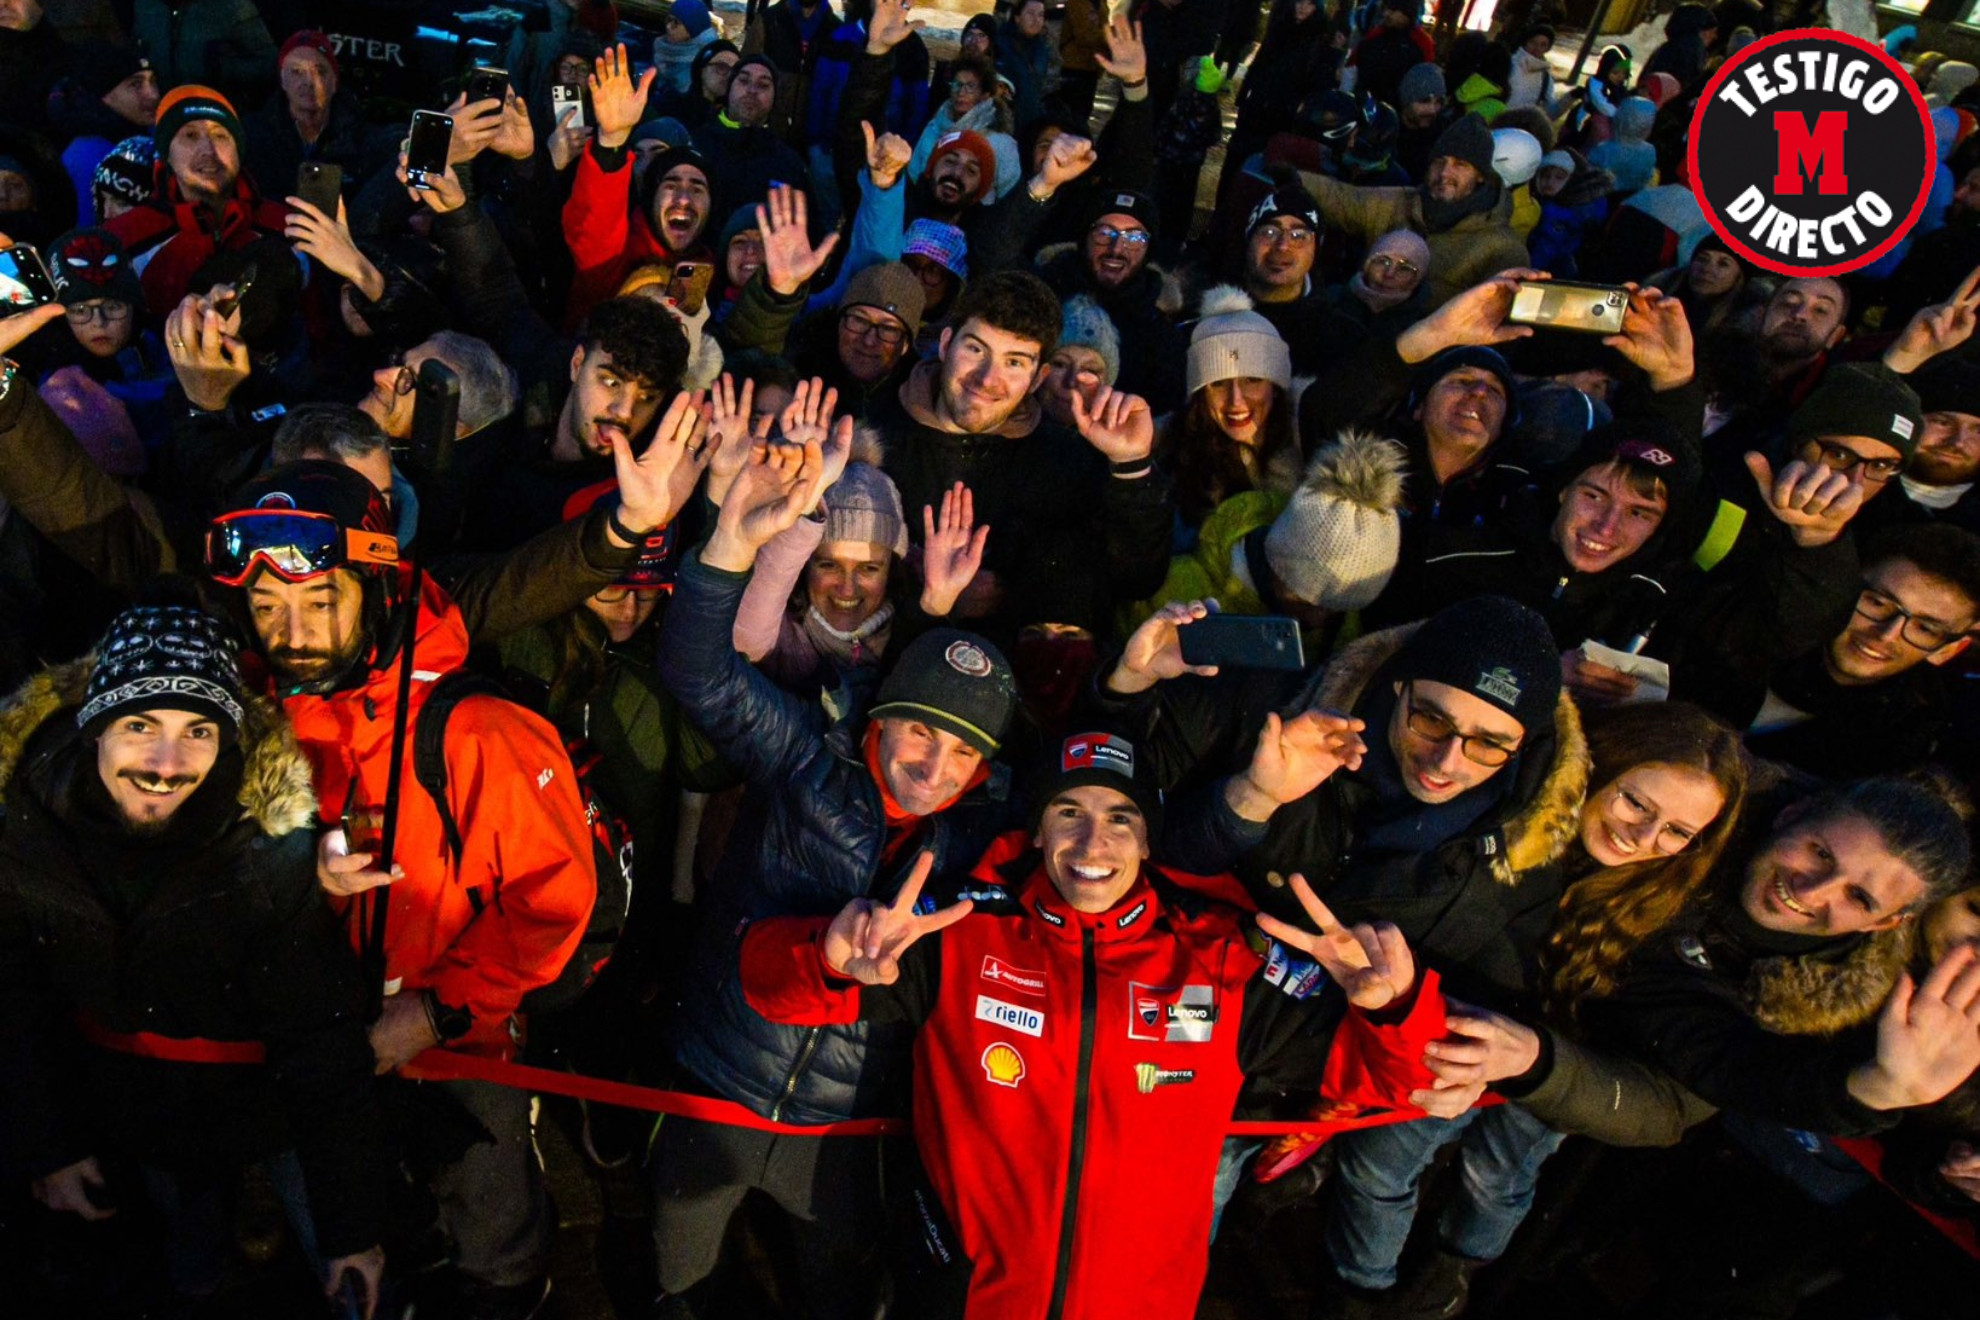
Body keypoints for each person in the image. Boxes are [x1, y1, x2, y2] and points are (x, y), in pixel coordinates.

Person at [738, 726, 1423, 1319]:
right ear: (1037, 830)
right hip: (971, 1301)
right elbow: (770, 991)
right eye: (1069, 811)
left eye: (1121, 817)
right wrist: (827, 954)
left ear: (1149, 840)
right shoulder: (963, 934)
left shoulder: (1219, 961)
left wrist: (1391, 1008)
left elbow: (1393, 1083)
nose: (1094, 840)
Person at [205, 460, 597, 1318]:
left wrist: (434, 1012)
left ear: (376, 587)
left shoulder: (479, 730)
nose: (291, 629)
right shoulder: (245, 718)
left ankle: (510, 1286)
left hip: (460, 1044)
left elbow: (554, 899)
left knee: (491, 1228)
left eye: (318, 602)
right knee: (351, 1232)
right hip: (312, 1039)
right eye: (268, 606)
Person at [649, 426, 1022, 1320]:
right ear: (879, 721)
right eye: (921, 734)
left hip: (847, 1128)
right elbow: (696, 674)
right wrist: (728, 548)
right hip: (717, 1087)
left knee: (840, 1298)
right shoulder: (811, 756)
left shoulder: (983, 838)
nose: (933, 769)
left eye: (964, 753)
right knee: (678, 1291)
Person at [0, 600, 389, 1317]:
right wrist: (46, 1144)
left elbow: (319, 1044)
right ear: (95, 735)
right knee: (184, 1257)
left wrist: (352, 1231)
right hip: (117, 1105)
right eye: (140, 726)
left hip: (257, 1101)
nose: (165, 766)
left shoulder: (265, 848)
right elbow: (11, 997)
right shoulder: (27, 825)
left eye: (198, 731)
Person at [1302, 700, 1748, 1316]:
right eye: (1636, 803)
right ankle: (1357, 1289)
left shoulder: (1667, 904)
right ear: (1602, 765)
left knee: (1502, 1171)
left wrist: (1550, 1060)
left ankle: (1452, 1271)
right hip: (1452, 1038)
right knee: (1381, 1164)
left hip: (1559, 1062)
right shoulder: (1513, 823)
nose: (1643, 838)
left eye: (1676, 832)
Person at [866, 268, 1175, 639]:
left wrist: (1131, 466)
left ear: (1037, 378)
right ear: (946, 344)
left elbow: (1135, 580)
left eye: (1014, 362)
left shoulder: (1066, 463)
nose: (986, 379)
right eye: (976, 349)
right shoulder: (877, 439)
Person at [1129, 427, 1407, 655]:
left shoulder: (1344, 627)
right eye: (1303, 600)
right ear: (1277, 561)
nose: (1318, 619)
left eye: (1339, 608)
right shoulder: (1175, 593)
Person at [1299, 114, 1530, 309]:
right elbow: (1340, 199)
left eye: (1460, 165)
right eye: (1439, 162)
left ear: (1480, 175)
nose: (1444, 174)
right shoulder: (1399, 202)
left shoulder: (1503, 249)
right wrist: (1288, 177)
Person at [102, 85, 291, 317]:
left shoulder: (287, 228)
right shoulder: (125, 238)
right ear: (167, 154)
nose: (208, 150)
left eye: (220, 135)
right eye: (190, 135)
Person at [562, 44, 717, 324]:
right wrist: (611, 140)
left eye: (697, 188)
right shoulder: (614, 254)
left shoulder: (704, 264)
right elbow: (595, 223)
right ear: (652, 195)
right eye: (670, 184)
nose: (683, 198)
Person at [1035, 189, 1189, 414]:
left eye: (1134, 238)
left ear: (1149, 250)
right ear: (1084, 238)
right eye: (1105, 233)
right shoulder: (1042, 294)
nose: (1116, 249)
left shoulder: (1161, 333)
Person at [1162, 286, 1304, 529]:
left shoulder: (1311, 440)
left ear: (1276, 386)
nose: (1236, 401)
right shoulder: (1177, 452)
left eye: (1253, 380)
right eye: (1218, 384)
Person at [243, 30, 368, 200]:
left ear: (334, 82)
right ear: (282, 80)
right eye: (297, 71)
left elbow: (390, 140)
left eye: (320, 71)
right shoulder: (251, 136)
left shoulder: (360, 136)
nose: (308, 82)